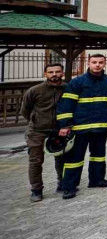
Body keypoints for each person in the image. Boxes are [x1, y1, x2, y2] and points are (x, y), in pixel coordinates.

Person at [56, 54, 107, 199]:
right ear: (88, 63)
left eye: (100, 62)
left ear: (105, 64)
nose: (97, 65)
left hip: (101, 127)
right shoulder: (77, 82)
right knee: (74, 159)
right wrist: (65, 125)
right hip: (80, 128)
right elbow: (66, 105)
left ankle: (97, 180)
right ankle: (69, 187)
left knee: (98, 156)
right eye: (94, 62)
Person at [21, 63, 65, 202]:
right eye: (50, 72)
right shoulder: (35, 90)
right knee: (35, 161)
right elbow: (25, 110)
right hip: (37, 131)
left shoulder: (68, 88)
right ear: (45, 74)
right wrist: (36, 121)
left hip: (58, 131)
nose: (54, 74)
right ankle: (36, 190)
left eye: (57, 72)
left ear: (62, 73)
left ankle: (62, 183)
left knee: (61, 158)